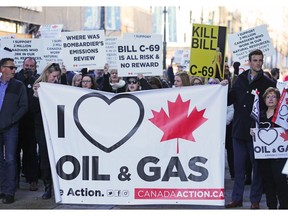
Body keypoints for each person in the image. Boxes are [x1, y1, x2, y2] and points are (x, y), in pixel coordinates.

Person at [223, 49, 276, 209]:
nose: (258, 63)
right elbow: (230, 98)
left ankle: (255, 200)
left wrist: (260, 119)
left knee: (257, 169)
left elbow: (272, 106)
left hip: (257, 132)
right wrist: (221, 87)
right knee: (239, 169)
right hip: (239, 130)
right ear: (249, 61)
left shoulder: (268, 83)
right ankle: (236, 198)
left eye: (260, 60)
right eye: (255, 60)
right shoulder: (240, 79)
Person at [251, 87, 288, 209]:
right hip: (264, 157)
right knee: (268, 184)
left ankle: (284, 208)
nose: (270, 99)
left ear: (278, 99)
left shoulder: (283, 115)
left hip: (280, 157)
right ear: (264, 100)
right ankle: (271, 208)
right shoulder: (258, 115)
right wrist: (252, 131)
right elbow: (254, 131)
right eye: (268, 96)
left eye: (273, 96)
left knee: (281, 183)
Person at [31, 63, 62, 200]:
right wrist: (36, 96)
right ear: (47, 74)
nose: (56, 79)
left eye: (58, 77)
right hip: (42, 128)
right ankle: (48, 186)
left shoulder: (60, 87)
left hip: (57, 128)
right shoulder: (38, 86)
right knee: (44, 157)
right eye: (54, 76)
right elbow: (32, 111)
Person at [0, 58, 28, 204]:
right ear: (2, 69)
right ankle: (2, 189)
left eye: (14, 68)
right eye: (10, 68)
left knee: (10, 159)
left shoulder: (19, 85)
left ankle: (10, 192)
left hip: (11, 128)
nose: (13, 70)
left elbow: (24, 106)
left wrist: (12, 120)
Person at [15, 58, 39, 191]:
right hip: (16, 123)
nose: (28, 67)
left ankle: (33, 180)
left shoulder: (37, 81)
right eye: (26, 65)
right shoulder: (16, 79)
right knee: (14, 153)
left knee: (31, 153)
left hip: (31, 123)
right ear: (22, 65)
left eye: (31, 66)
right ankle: (14, 180)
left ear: (35, 67)